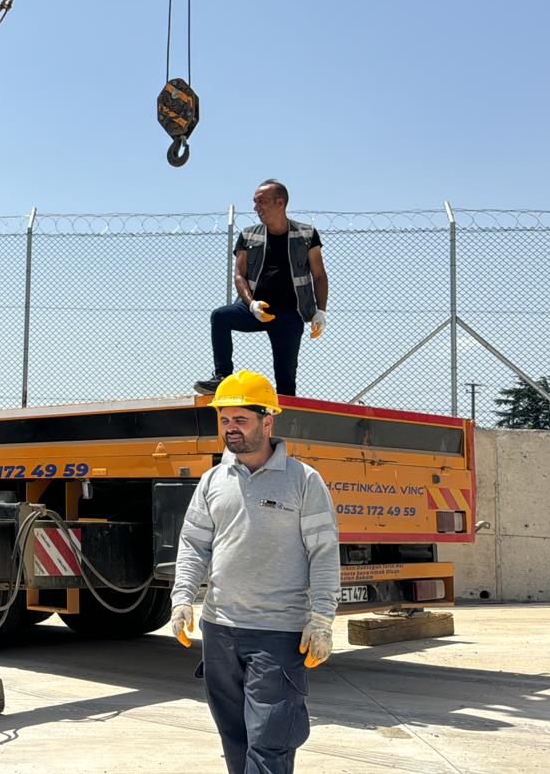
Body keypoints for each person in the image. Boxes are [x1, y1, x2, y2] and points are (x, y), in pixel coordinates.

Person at [169, 370, 339, 774]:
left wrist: (321, 619)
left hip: (278, 634)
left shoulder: (303, 480)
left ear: (267, 422)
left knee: (268, 744)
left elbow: (324, 552)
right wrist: (182, 600)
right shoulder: (212, 480)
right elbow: (193, 544)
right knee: (235, 739)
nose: (231, 428)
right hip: (219, 630)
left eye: (241, 420)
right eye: (225, 419)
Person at [195, 180, 328, 397]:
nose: (256, 207)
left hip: (289, 314)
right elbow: (239, 275)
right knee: (220, 316)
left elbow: (319, 275)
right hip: (256, 309)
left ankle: (285, 412)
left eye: (262, 202)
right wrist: (252, 304)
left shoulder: (307, 235)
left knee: (286, 382)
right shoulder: (248, 235)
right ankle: (222, 377)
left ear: (280, 203)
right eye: (255, 202)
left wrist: (320, 311)